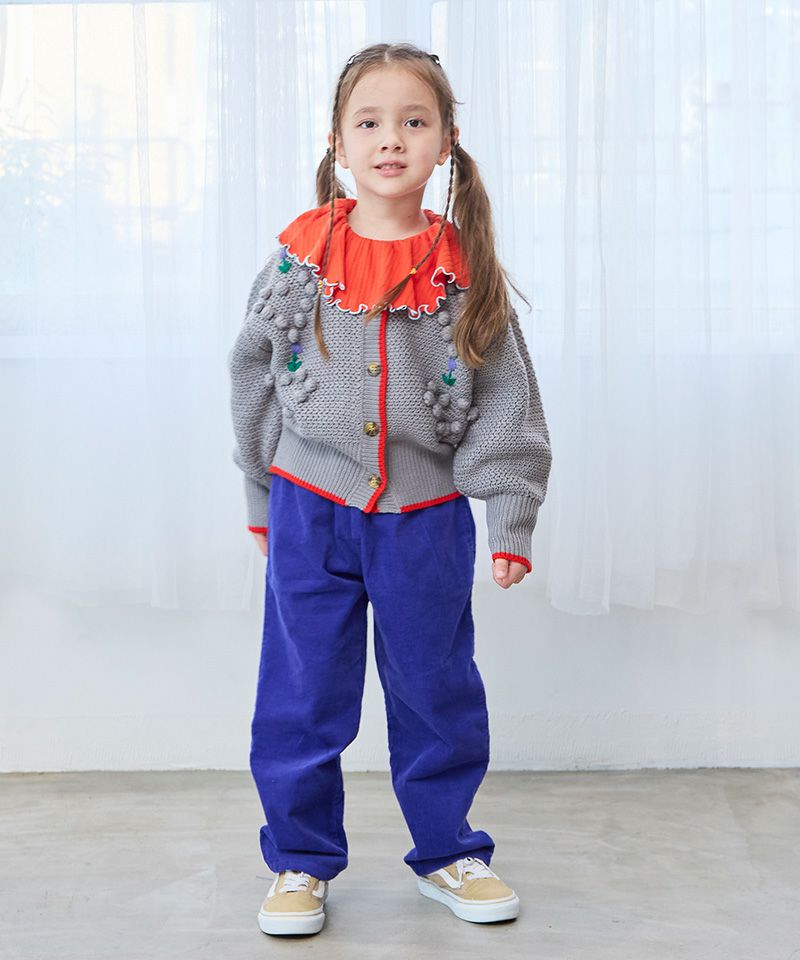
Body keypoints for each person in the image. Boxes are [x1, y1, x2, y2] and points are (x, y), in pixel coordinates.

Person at [228, 42, 552, 937]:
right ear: (338, 142)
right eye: (369, 122)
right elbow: (253, 377)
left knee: (435, 689)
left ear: (446, 140)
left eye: (414, 121)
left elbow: (507, 399)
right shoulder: (299, 263)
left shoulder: (462, 269)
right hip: (308, 507)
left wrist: (509, 513)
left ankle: (448, 850)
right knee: (302, 693)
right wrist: (260, 496)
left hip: (425, 517)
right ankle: (299, 861)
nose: (391, 140)